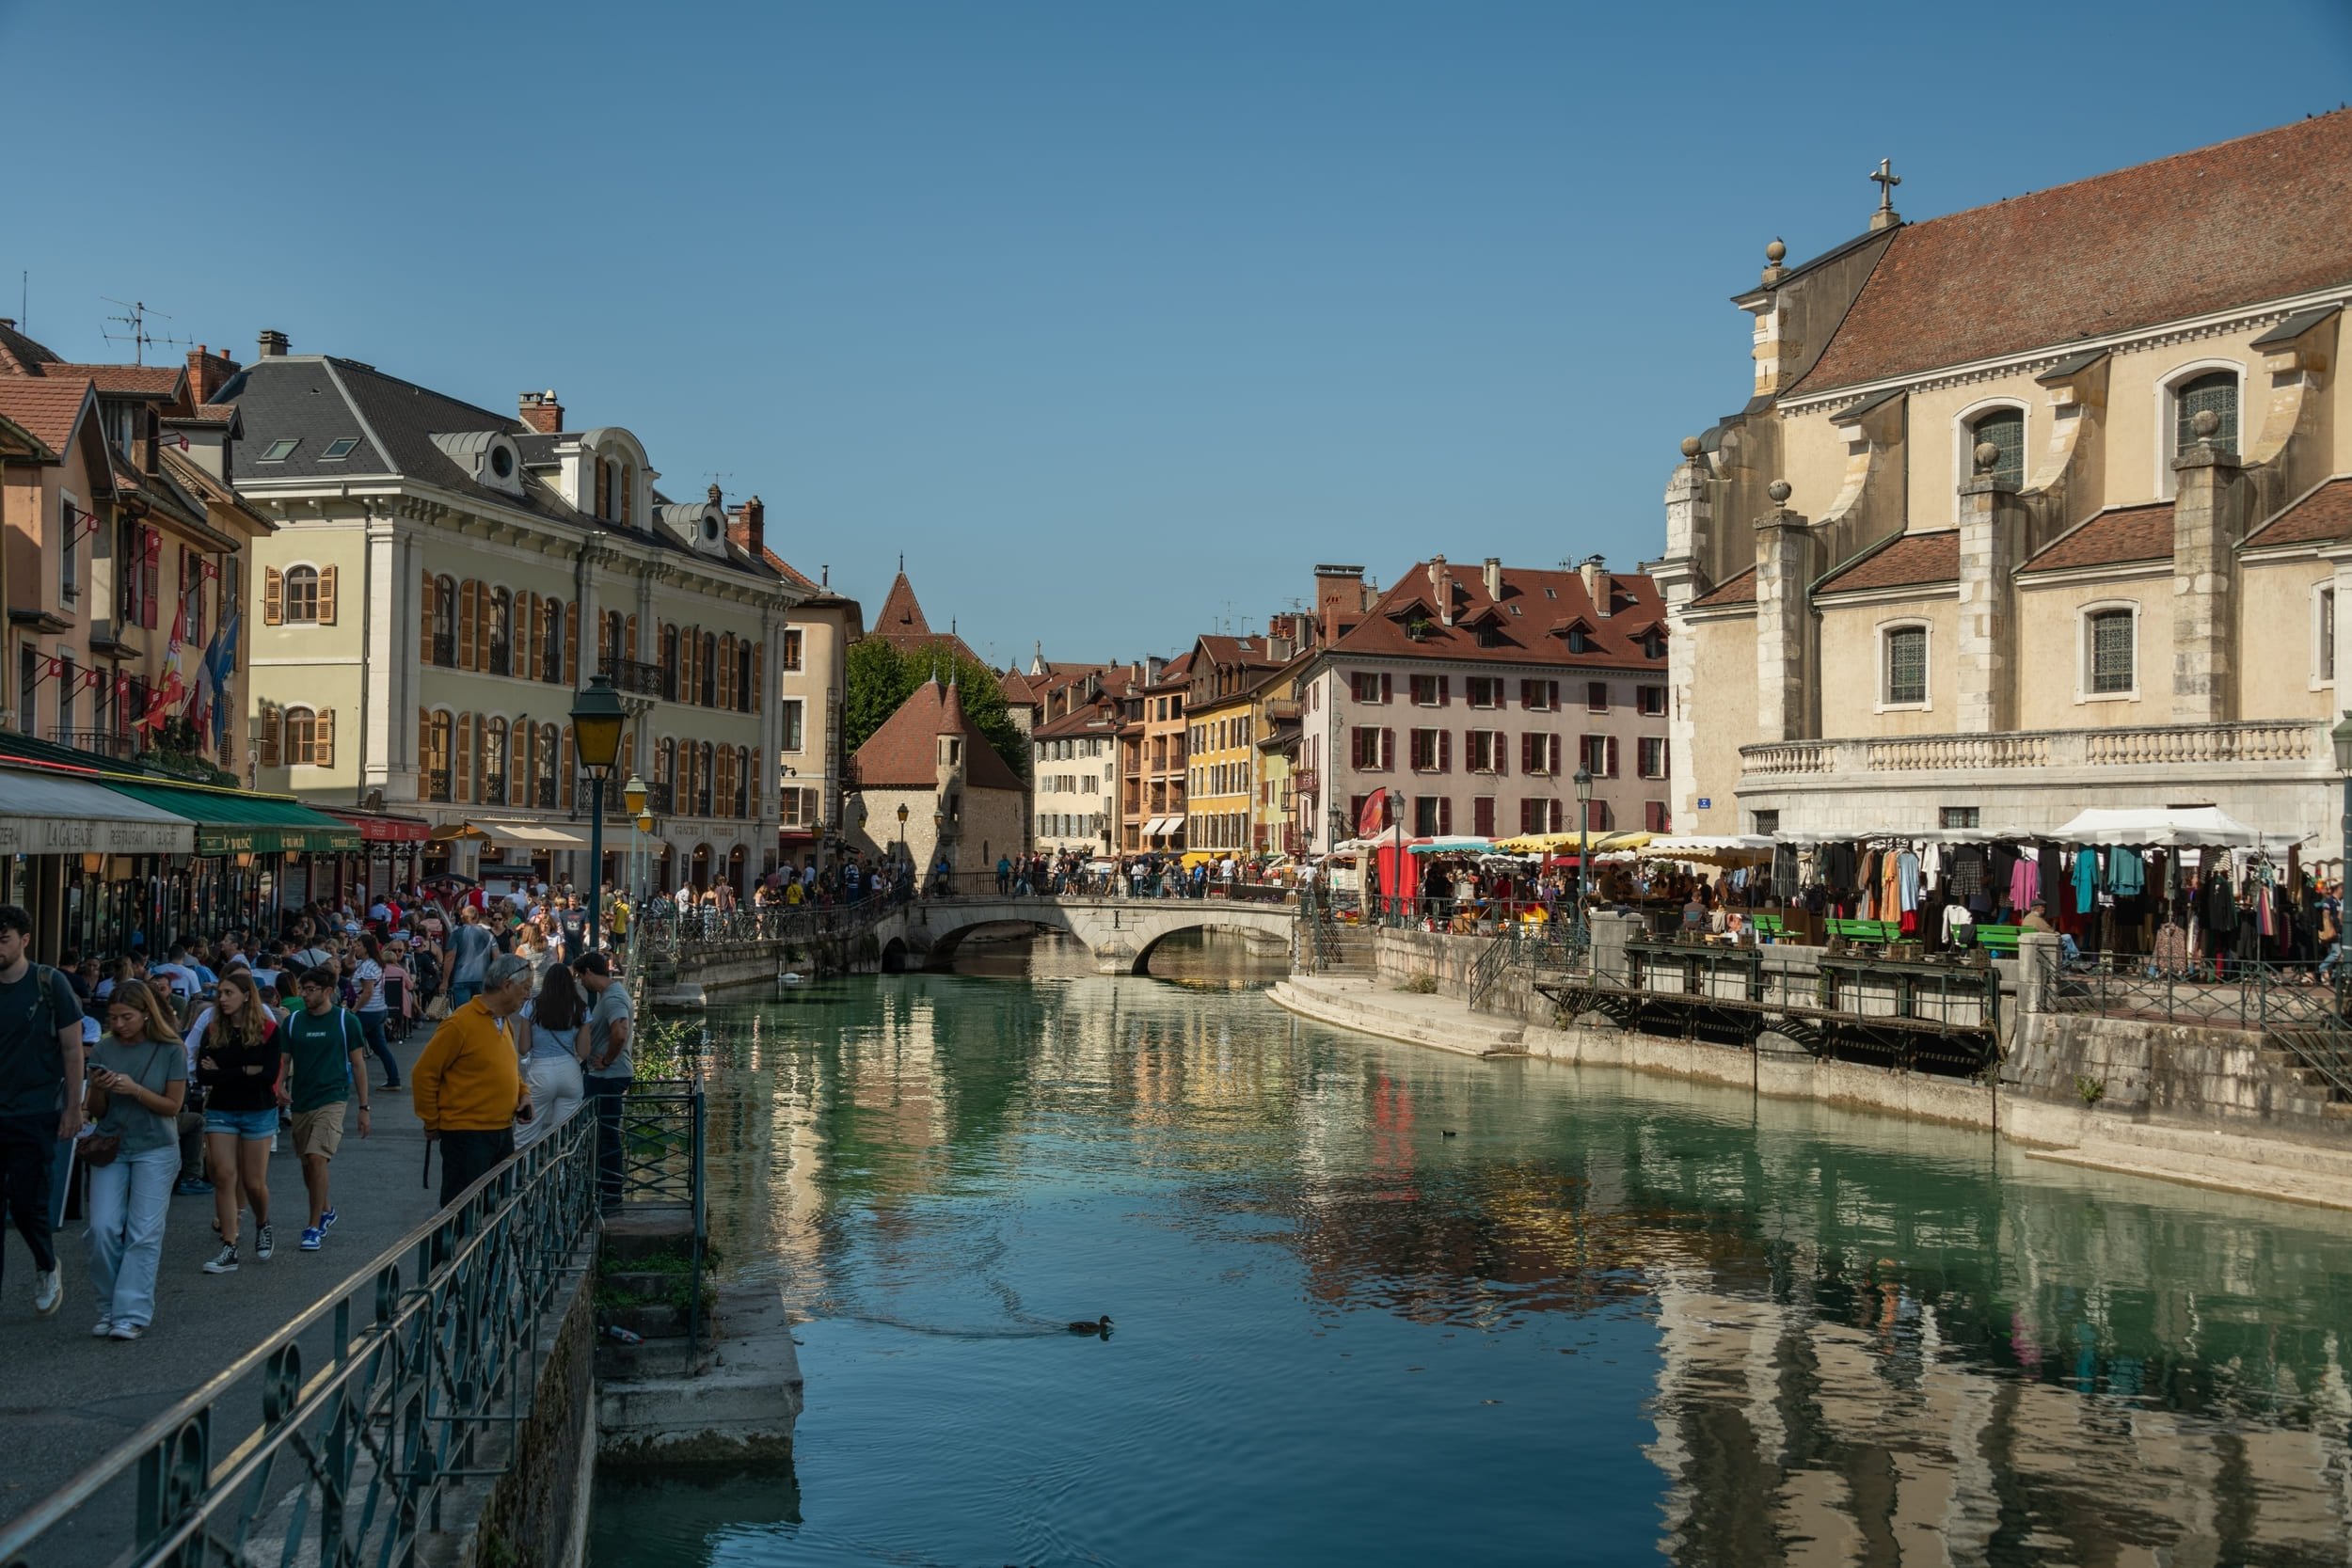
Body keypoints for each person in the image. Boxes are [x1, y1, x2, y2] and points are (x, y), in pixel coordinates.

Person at [84, 980, 189, 1340]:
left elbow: (173, 1107)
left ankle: (131, 1313)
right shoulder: (103, 1048)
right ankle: (108, 1306)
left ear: (146, 1014)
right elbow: (96, 1111)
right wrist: (99, 1088)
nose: (119, 1024)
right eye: (113, 1017)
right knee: (101, 1228)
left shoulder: (171, 1049)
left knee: (143, 1232)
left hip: (156, 1146)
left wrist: (135, 1090)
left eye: (126, 1017)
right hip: (112, 1144)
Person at [0, 905, 84, 1318]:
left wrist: (73, 1107)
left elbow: (72, 1049)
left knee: (26, 1204)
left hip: (33, 1111)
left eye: (4, 940)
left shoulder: (49, 983)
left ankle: (47, 1265)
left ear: (24, 940)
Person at [411, 954, 532, 1209]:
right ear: (507, 985)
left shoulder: (502, 1021)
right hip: (467, 1134)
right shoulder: (460, 1023)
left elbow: (509, 1067)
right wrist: (431, 1121)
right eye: (525, 988)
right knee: (463, 1209)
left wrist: (523, 1093)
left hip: (500, 1130)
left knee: (494, 1208)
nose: (527, 995)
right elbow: (424, 1073)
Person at [190, 972, 281, 1274]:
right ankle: (229, 1246)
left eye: (229, 993)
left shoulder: (268, 1030)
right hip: (222, 1110)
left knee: (253, 1183)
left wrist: (224, 1070)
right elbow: (204, 1075)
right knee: (223, 1176)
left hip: (258, 1111)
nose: (222, 998)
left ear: (246, 995)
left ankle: (262, 1223)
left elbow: (268, 1075)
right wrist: (245, 1070)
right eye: (220, 993)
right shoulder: (214, 1029)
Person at [278, 966, 372, 1250]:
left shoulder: (346, 1021)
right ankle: (327, 1209)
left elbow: (358, 1064)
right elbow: (284, 1059)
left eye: (311, 990)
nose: (305, 995)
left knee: (317, 1157)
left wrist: (364, 1107)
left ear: (328, 991)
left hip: (333, 1098)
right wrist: (279, 1085)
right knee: (308, 1164)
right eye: (302, 990)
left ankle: (313, 1225)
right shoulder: (293, 1022)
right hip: (302, 1099)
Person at [573, 952, 633, 1211]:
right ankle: (606, 1189)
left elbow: (620, 1031)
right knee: (604, 1133)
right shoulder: (608, 996)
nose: (580, 982)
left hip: (609, 1075)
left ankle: (610, 1193)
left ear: (589, 972)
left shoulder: (613, 997)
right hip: (607, 1075)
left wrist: (607, 1060)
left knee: (607, 1135)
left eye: (580, 976)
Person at [519, 965, 587, 1150]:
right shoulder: (581, 1008)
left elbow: (523, 1048)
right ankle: (561, 1168)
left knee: (525, 1133)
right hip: (570, 1071)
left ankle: (523, 1168)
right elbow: (584, 1051)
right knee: (564, 1136)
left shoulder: (531, 1007)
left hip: (540, 1071)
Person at [350, 933, 400, 1091]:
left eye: (358, 945)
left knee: (349, 1045)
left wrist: (354, 1010)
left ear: (366, 948)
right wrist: (351, 951)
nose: (356, 947)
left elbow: (367, 992)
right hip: (379, 1009)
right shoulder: (372, 963)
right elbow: (348, 964)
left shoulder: (367, 966)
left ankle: (341, 1079)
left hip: (367, 1011)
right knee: (380, 1048)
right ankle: (394, 1079)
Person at [447, 906, 494, 1010]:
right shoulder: (488, 935)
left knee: (463, 1012)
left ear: (463, 918)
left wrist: (445, 980)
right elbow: (497, 956)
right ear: (477, 917)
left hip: (461, 977)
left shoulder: (456, 934)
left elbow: (450, 957)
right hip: (482, 977)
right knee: (480, 1011)